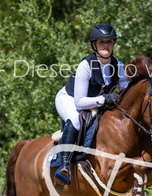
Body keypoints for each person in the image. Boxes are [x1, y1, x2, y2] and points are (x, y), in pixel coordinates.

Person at [53, 23, 130, 185]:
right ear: (94, 45)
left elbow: (126, 94)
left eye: (109, 42)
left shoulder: (119, 66)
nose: (106, 45)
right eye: (102, 42)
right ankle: (64, 165)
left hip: (95, 103)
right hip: (70, 99)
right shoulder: (86, 66)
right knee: (75, 120)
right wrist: (104, 99)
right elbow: (79, 102)